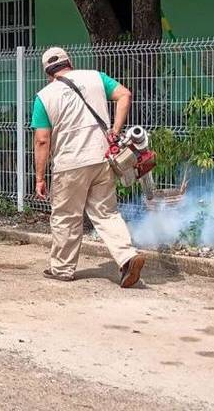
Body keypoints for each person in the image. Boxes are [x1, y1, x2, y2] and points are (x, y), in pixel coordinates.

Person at [32, 46, 146, 288]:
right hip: (102, 158)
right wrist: (115, 130)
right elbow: (124, 95)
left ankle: (62, 268)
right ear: (70, 63)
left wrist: (40, 177)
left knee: (66, 216)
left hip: (69, 164)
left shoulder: (44, 96)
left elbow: (42, 140)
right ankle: (127, 256)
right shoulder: (96, 77)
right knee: (106, 213)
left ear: (48, 73)